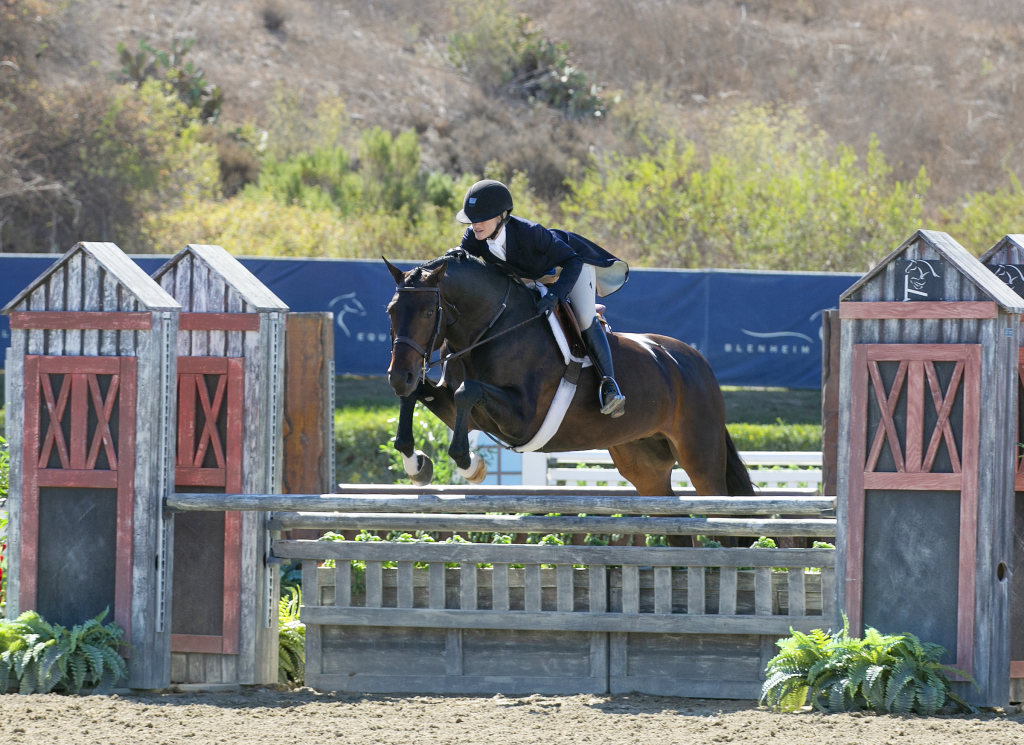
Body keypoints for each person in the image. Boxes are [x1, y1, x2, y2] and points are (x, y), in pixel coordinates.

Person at [456, 179, 628, 417]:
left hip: (566, 267)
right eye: (472, 219)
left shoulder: (530, 233)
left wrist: (556, 296)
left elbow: (573, 261)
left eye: (481, 218)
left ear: (501, 216)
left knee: (585, 318)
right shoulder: (474, 236)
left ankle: (610, 386)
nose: (475, 225)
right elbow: (460, 261)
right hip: (531, 277)